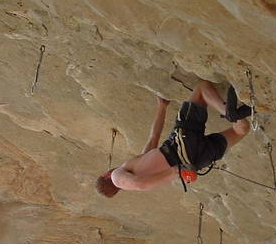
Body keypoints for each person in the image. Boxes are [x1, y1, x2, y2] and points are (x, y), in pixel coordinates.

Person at [96, 80, 252, 196]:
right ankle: (228, 113)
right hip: (178, 149)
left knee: (241, 130)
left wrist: (162, 107)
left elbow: (154, 137)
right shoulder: (116, 177)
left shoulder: (140, 167)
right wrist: (174, 172)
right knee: (202, 89)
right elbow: (139, 185)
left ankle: (237, 118)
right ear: (105, 175)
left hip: (193, 162)